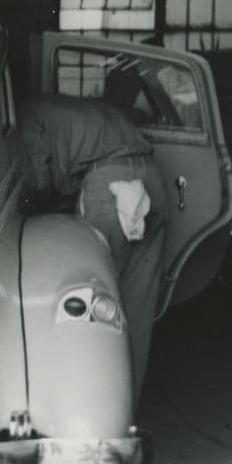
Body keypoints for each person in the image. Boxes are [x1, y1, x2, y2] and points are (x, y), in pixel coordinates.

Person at [16, 94, 169, 403]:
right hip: (153, 182)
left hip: (110, 188)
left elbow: (41, 184)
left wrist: (28, 213)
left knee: (97, 304)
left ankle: (99, 405)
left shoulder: (26, 114)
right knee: (137, 306)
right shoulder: (85, 109)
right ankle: (129, 408)